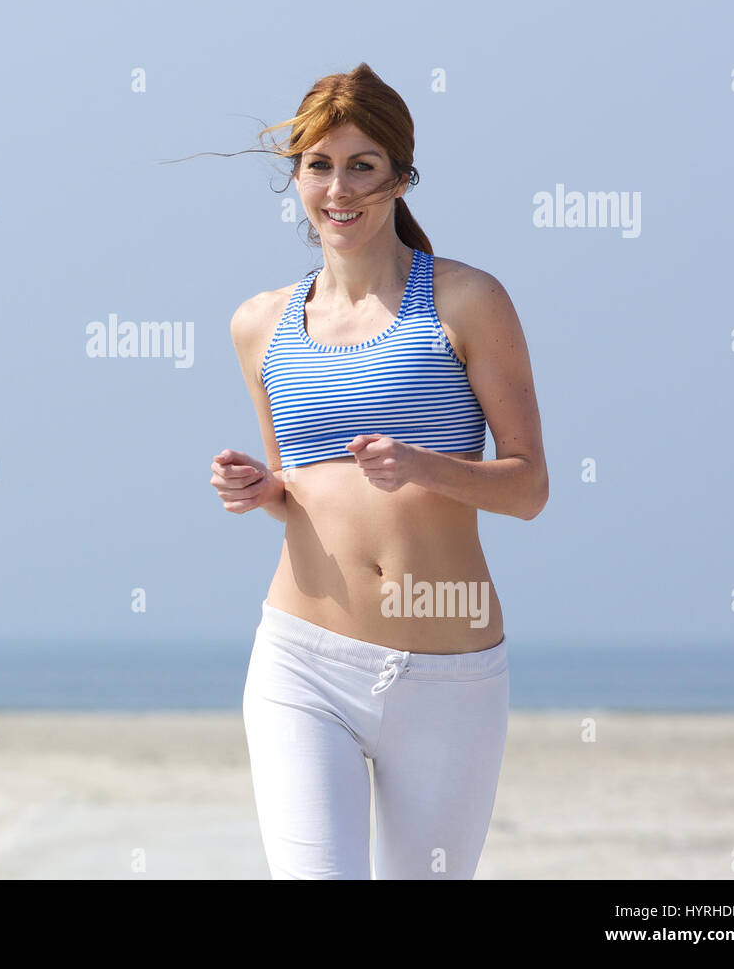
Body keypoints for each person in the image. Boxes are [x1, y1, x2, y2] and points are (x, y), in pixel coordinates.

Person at [212, 63, 548, 879]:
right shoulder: (260, 325)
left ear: (401, 176)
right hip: (302, 660)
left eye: (363, 165)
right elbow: (296, 487)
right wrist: (262, 490)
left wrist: (427, 467)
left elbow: (528, 487)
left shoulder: (469, 301)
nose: (340, 189)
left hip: (449, 673)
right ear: (295, 176)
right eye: (319, 165)